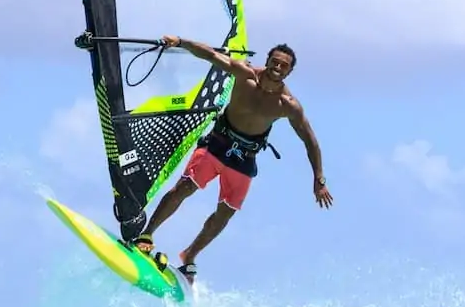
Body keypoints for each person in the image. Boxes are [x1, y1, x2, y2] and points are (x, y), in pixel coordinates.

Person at [130, 36, 332, 284]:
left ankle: (190, 255)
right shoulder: (244, 74)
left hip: (244, 160)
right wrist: (180, 42)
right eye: (275, 62)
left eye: (284, 65)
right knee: (185, 187)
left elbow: (310, 141)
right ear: (267, 60)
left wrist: (319, 179)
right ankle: (146, 236)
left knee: (224, 215)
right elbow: (210, 55)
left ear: (290, 71)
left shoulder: (288, 105)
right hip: (217, 145)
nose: (278, 67)